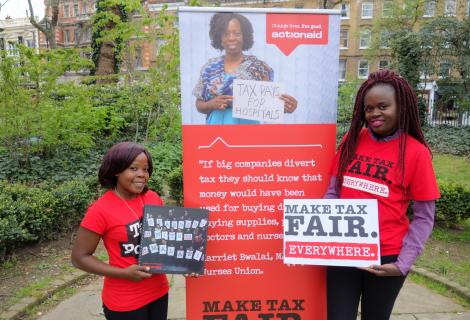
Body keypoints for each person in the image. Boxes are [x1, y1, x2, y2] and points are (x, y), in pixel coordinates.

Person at [324, 70, 440, 320]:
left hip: (386, 257)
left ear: (402, 107)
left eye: (383, 106)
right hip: (345, 251)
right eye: (368, 108)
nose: (374, 113)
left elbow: (424, 217)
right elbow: (333, 193)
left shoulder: (416, 153)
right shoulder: (352, 139)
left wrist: (402, 264)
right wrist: (326, 237)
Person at [71, 142, 169, 320]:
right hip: (124, 301)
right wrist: (124, 273)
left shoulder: (153, 198)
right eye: (133, 168)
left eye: (145, 169)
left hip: (159, 292)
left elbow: (164, 240)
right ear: (116, 170)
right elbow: (79, 258)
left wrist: (184, 263)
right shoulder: (100, 210)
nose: (142, 174)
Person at [193, 12, 298, 124]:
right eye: (226, 34)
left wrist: (285, 107)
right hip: (216, 128)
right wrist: (211, 104)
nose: (231, 38)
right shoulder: (209, 68)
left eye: (237, 33)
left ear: (245, 36)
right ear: (219, 38)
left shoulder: (259, 67)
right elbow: (199, 104)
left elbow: (268, 104)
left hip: (247, 129)